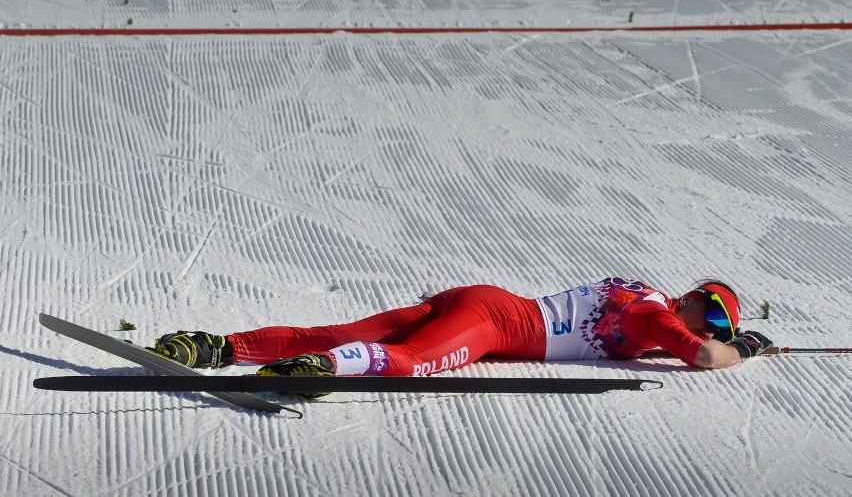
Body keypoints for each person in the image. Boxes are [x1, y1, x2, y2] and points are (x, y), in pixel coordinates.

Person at [153, 277, 773, 395]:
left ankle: (215, 347)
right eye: (713, 315)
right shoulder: (657, 317)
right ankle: (328, 367)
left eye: (721, 322)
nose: (709, 327)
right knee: (408, 362)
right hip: (492, 324)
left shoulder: (643, 296)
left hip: (483, 301)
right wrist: (742, 347)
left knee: (339, 328)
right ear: (692, 304)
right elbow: (704, 359)